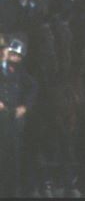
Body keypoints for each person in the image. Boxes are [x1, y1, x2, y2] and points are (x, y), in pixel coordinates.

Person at [0, 39, 36, 198]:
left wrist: (25, 106)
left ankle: (11, 192)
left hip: (12, 119)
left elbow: (33, 87)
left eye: (17, 55)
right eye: (11, 53)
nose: (13, 57)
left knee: (12, 157)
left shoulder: (19, 72)